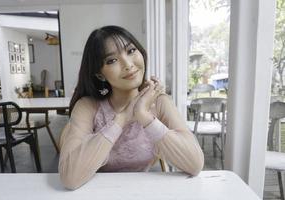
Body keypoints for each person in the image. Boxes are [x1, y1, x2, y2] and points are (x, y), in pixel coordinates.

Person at [59, 26, 204, 190]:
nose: (128, 64)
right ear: (100, 74)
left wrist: (143, 115)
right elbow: (70, 178)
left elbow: (195, 164)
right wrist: (121, 119)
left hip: (141, 192)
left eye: (131, 50)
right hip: (95, 192)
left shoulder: (160, 102)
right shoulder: (88, 106)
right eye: (111, 60)